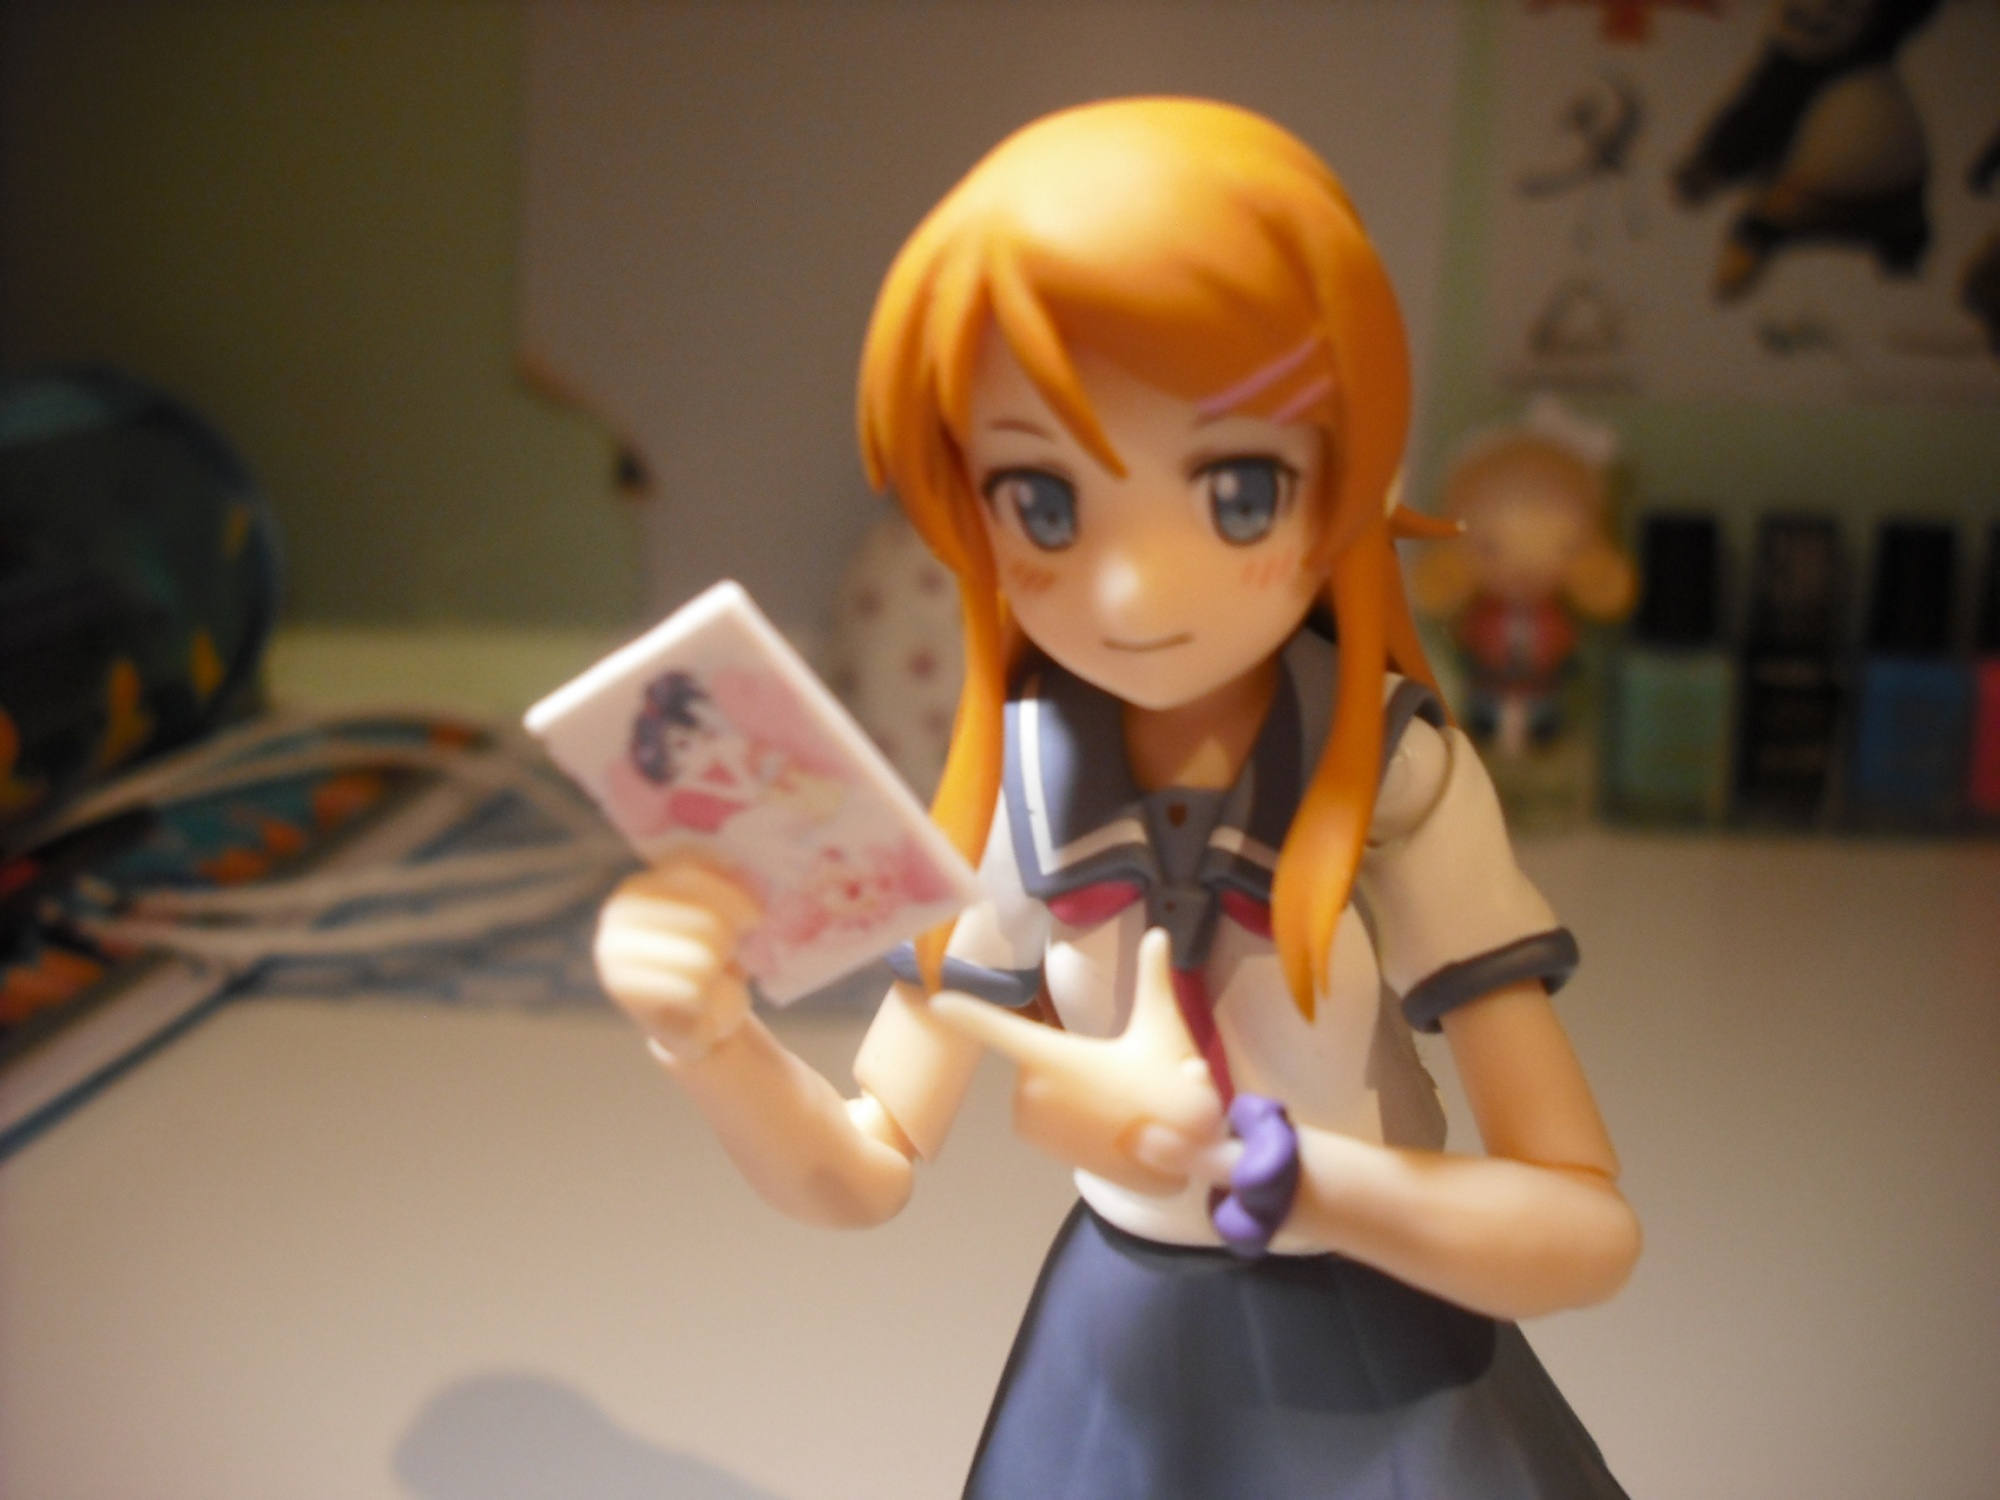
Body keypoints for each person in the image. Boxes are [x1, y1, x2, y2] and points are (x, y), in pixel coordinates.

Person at [594, 98, 1640, 1498]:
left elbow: (1584, 1229)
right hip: (1128, 1364)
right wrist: (707, 1039)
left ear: (1345, 470)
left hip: (1378, 1344)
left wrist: (1274, 1171)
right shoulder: (1026, 788)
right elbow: (864, 1166)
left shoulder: (1387, 775)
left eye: (1239, 490)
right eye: (1044, 503)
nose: (1134, 591)